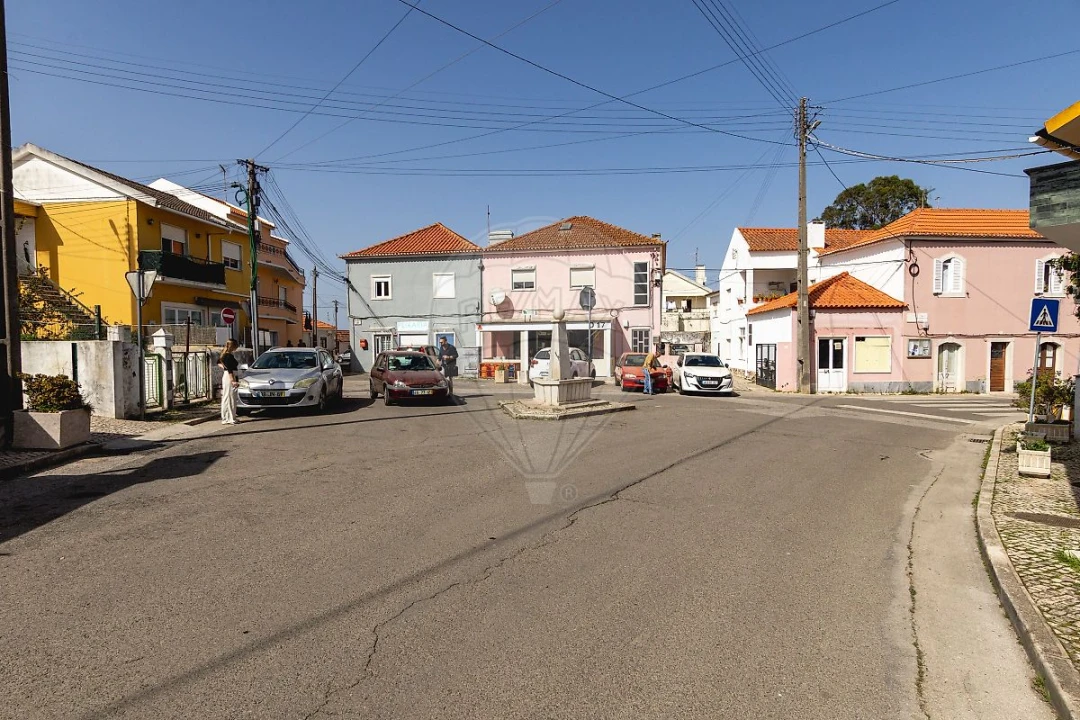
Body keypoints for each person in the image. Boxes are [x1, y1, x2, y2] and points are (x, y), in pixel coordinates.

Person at [218, 339, 240, 425]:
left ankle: (229, 417)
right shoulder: (228, 356)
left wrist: (224, 368)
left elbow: (219, 362)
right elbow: (230, 369)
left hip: (228, 375)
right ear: (233, 346)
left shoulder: (225, 355)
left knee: (229, 397)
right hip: (230, 377)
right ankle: (229, 418)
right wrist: (233, 380)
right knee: (229, 397)